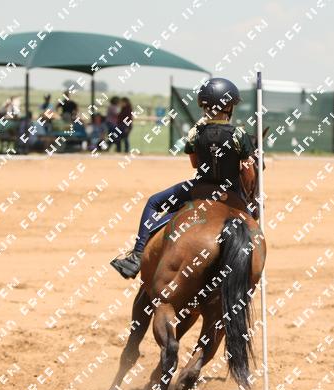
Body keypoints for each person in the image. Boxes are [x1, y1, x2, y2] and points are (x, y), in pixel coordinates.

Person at [110, 78, 257, 279]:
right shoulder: (239, 134)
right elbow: (248, 173)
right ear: (229, 106)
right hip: (231, 190)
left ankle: (136, 256)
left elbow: (195, 164)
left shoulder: (195, 132)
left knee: (154, 202)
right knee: (250, 223)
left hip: (199, 188)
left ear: (204, 106)